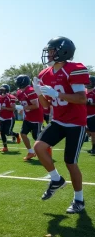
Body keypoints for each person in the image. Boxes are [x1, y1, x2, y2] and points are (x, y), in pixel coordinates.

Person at [33, 36, 89, 214]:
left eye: (52, 50)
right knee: (39, 147)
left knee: (70, 162)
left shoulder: (74, 69)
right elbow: (46, 106)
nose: (48, 54)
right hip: (58, 120)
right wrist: (38, 93)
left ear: (63, 52)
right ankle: (56, 180)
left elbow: (81, 99)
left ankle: (79, 200)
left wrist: (57, 94)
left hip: (75, 123)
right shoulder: (45, 74)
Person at [15, 75, 43, 161]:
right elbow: (25, 104)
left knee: (37, 138)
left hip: (36, 117)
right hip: (28, 117)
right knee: (23, 134)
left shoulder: (30, 91)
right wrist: (23, 109)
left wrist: (22, 108)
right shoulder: (19, 92)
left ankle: (45, 151)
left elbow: (36, 105)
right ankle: (30, 152)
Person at [0, 84, 21, 152]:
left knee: (8, 132)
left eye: (2, 90)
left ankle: (16, 135)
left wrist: (5, 108)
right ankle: (5, 147)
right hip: (2, 117)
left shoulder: (10, 97)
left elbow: (13, 109)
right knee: (2, 132)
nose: (1, 91)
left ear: (6, 90)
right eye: (0, 89)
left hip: (9, 117)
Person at [86, 76, 95, 154]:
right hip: (84, 115)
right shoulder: (83, 91)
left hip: (93, 115)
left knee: (93, 132)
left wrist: (90, 103)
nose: (88, 83)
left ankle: (94, 148)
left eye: (90, 82)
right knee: (87, 130)